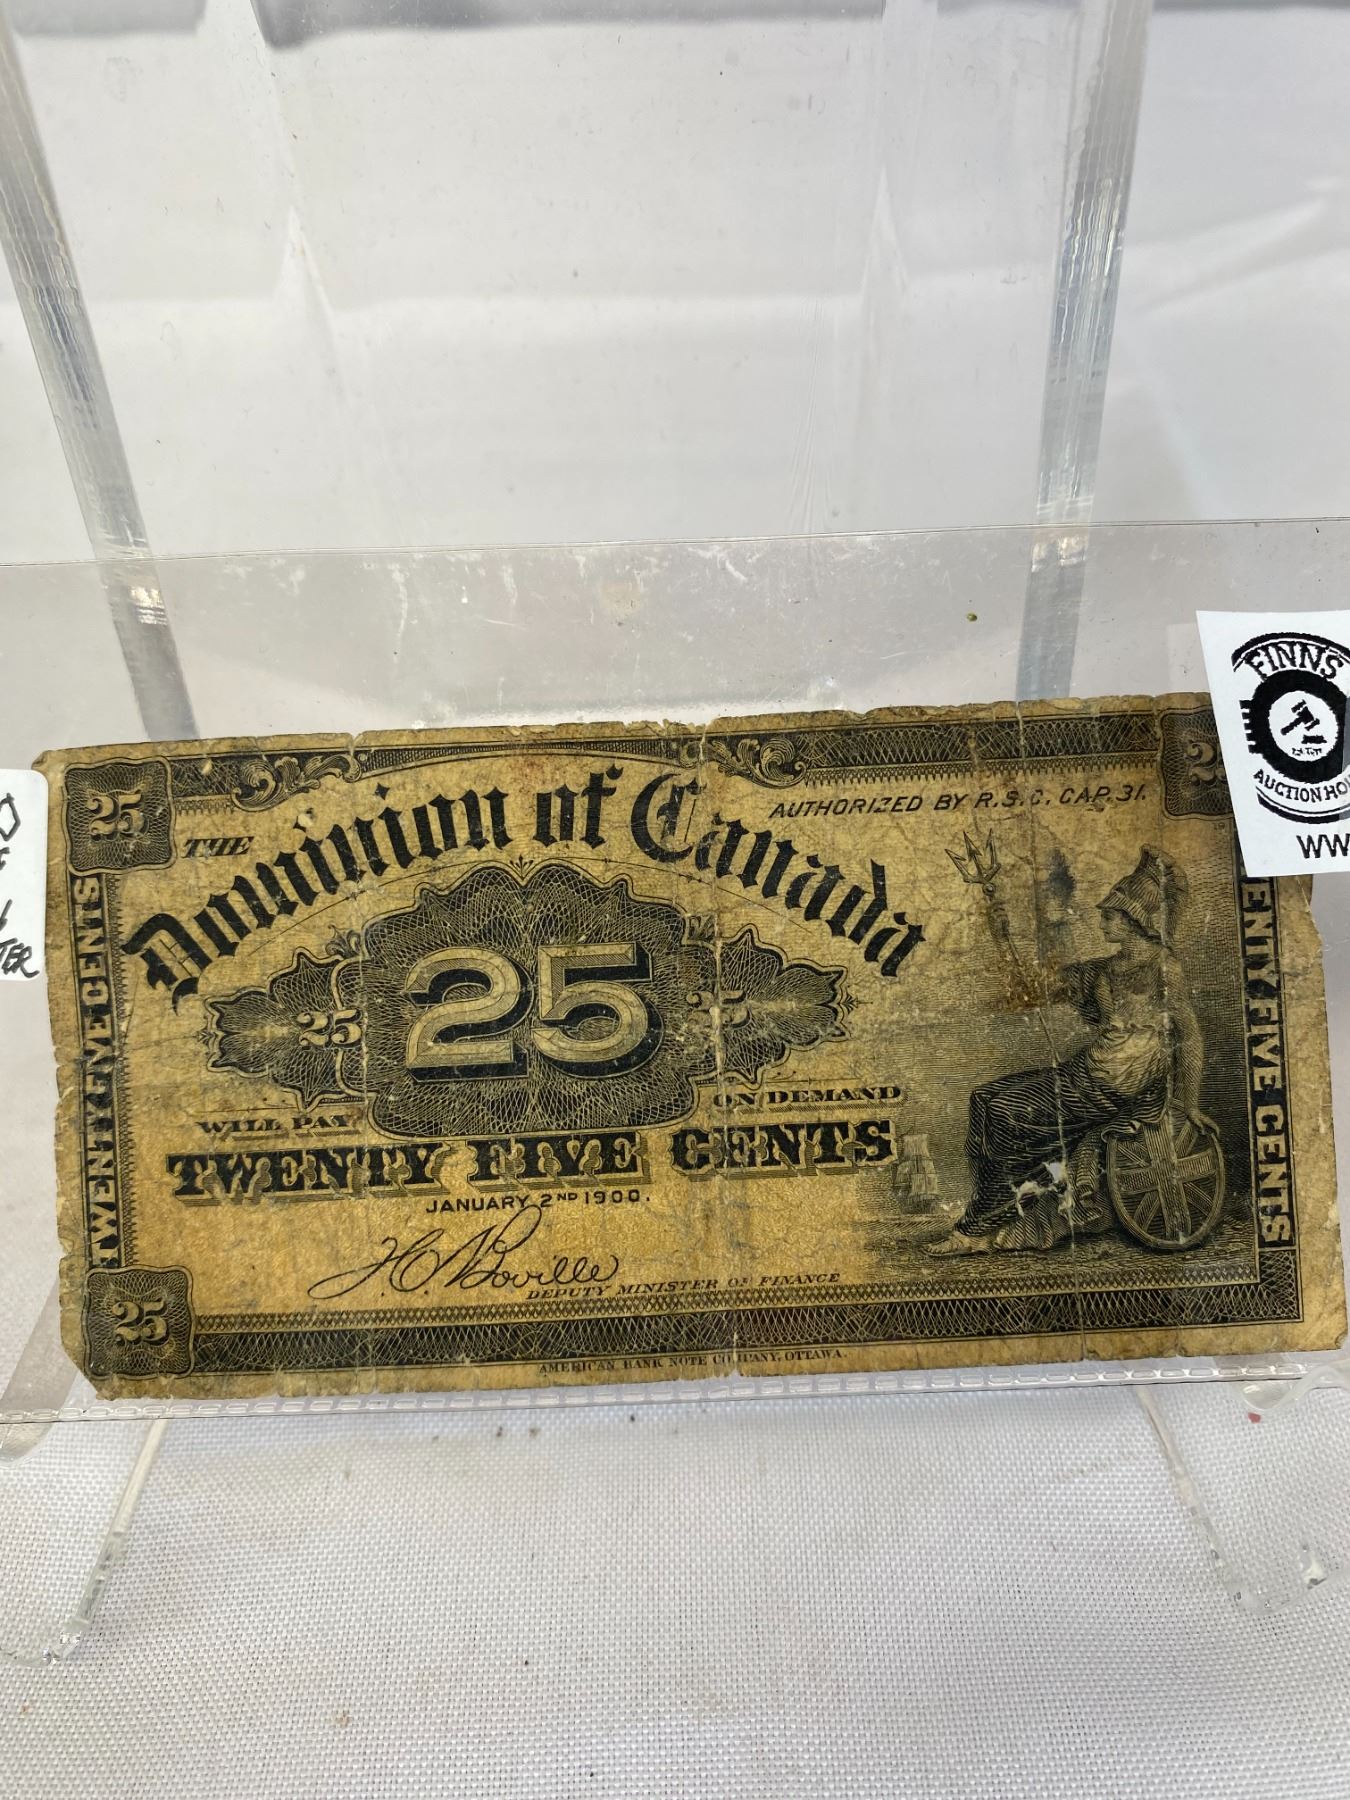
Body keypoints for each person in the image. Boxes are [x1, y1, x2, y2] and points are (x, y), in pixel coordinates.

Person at [930, 847, 1204, 1255]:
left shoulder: (1165, 969)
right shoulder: (1102, 970)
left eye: (1109, 916)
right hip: (1087, 1077)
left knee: (1004, 1113)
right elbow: (1029, 986)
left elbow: (1190, 1034)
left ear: (1135, 919)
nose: (1102, 921)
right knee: (984, 1099)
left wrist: (1189, 1102)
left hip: (1119, 1088)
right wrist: (1000, 927)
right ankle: (1002, 1210)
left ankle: (975, 1230)